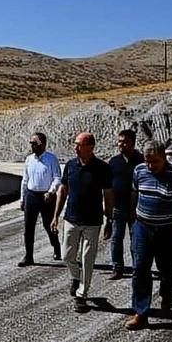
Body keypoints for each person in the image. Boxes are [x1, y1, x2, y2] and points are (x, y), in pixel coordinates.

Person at [125, 140, 172, 330]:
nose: (151, 166)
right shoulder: (139, 171)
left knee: (167, 268)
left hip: (168, 229)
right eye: (148, 161)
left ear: (164, 158)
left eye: (155, 162)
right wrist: (132, 220)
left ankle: (167, 290)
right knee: (140, 268)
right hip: (142, 226)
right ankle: (141, 313)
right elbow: (134, 194)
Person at [51, 132, 113, 313]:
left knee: (87, 259)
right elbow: (63, 191)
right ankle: (75, 276)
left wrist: (109, 219)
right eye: (75, 144)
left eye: (80, 145)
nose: (76, 148)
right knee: (66, 256)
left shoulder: (102, 168)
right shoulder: (70, 165)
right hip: (71, 218)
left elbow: (108, 195)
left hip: (93, 222)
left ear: (91, 147)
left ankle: (82, 295)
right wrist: (56, 216)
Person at [18, 132, 62, 267]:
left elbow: (57, 178)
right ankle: (29, 256)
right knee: (28, 227)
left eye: (34, 143)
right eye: (31, 143)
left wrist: (51, 191)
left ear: (42, 145)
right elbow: (25, 180)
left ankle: (56, 247)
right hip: (31, 195)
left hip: (46, 196)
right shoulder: (29, 160)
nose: (32, 146)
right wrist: (22, 198)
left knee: (48, 225)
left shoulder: (51, 159)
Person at [105, 129, 144, 280]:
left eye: (125, 141)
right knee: (116, 239)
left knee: (136, 240)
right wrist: (107, 209)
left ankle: (137, 269)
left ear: (133, 143)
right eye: (120, 141)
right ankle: (117, 268)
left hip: (137, 209)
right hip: (118, 208)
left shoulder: (141, 161)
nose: (121, 144)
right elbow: (107, 187)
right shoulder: (114, 162)